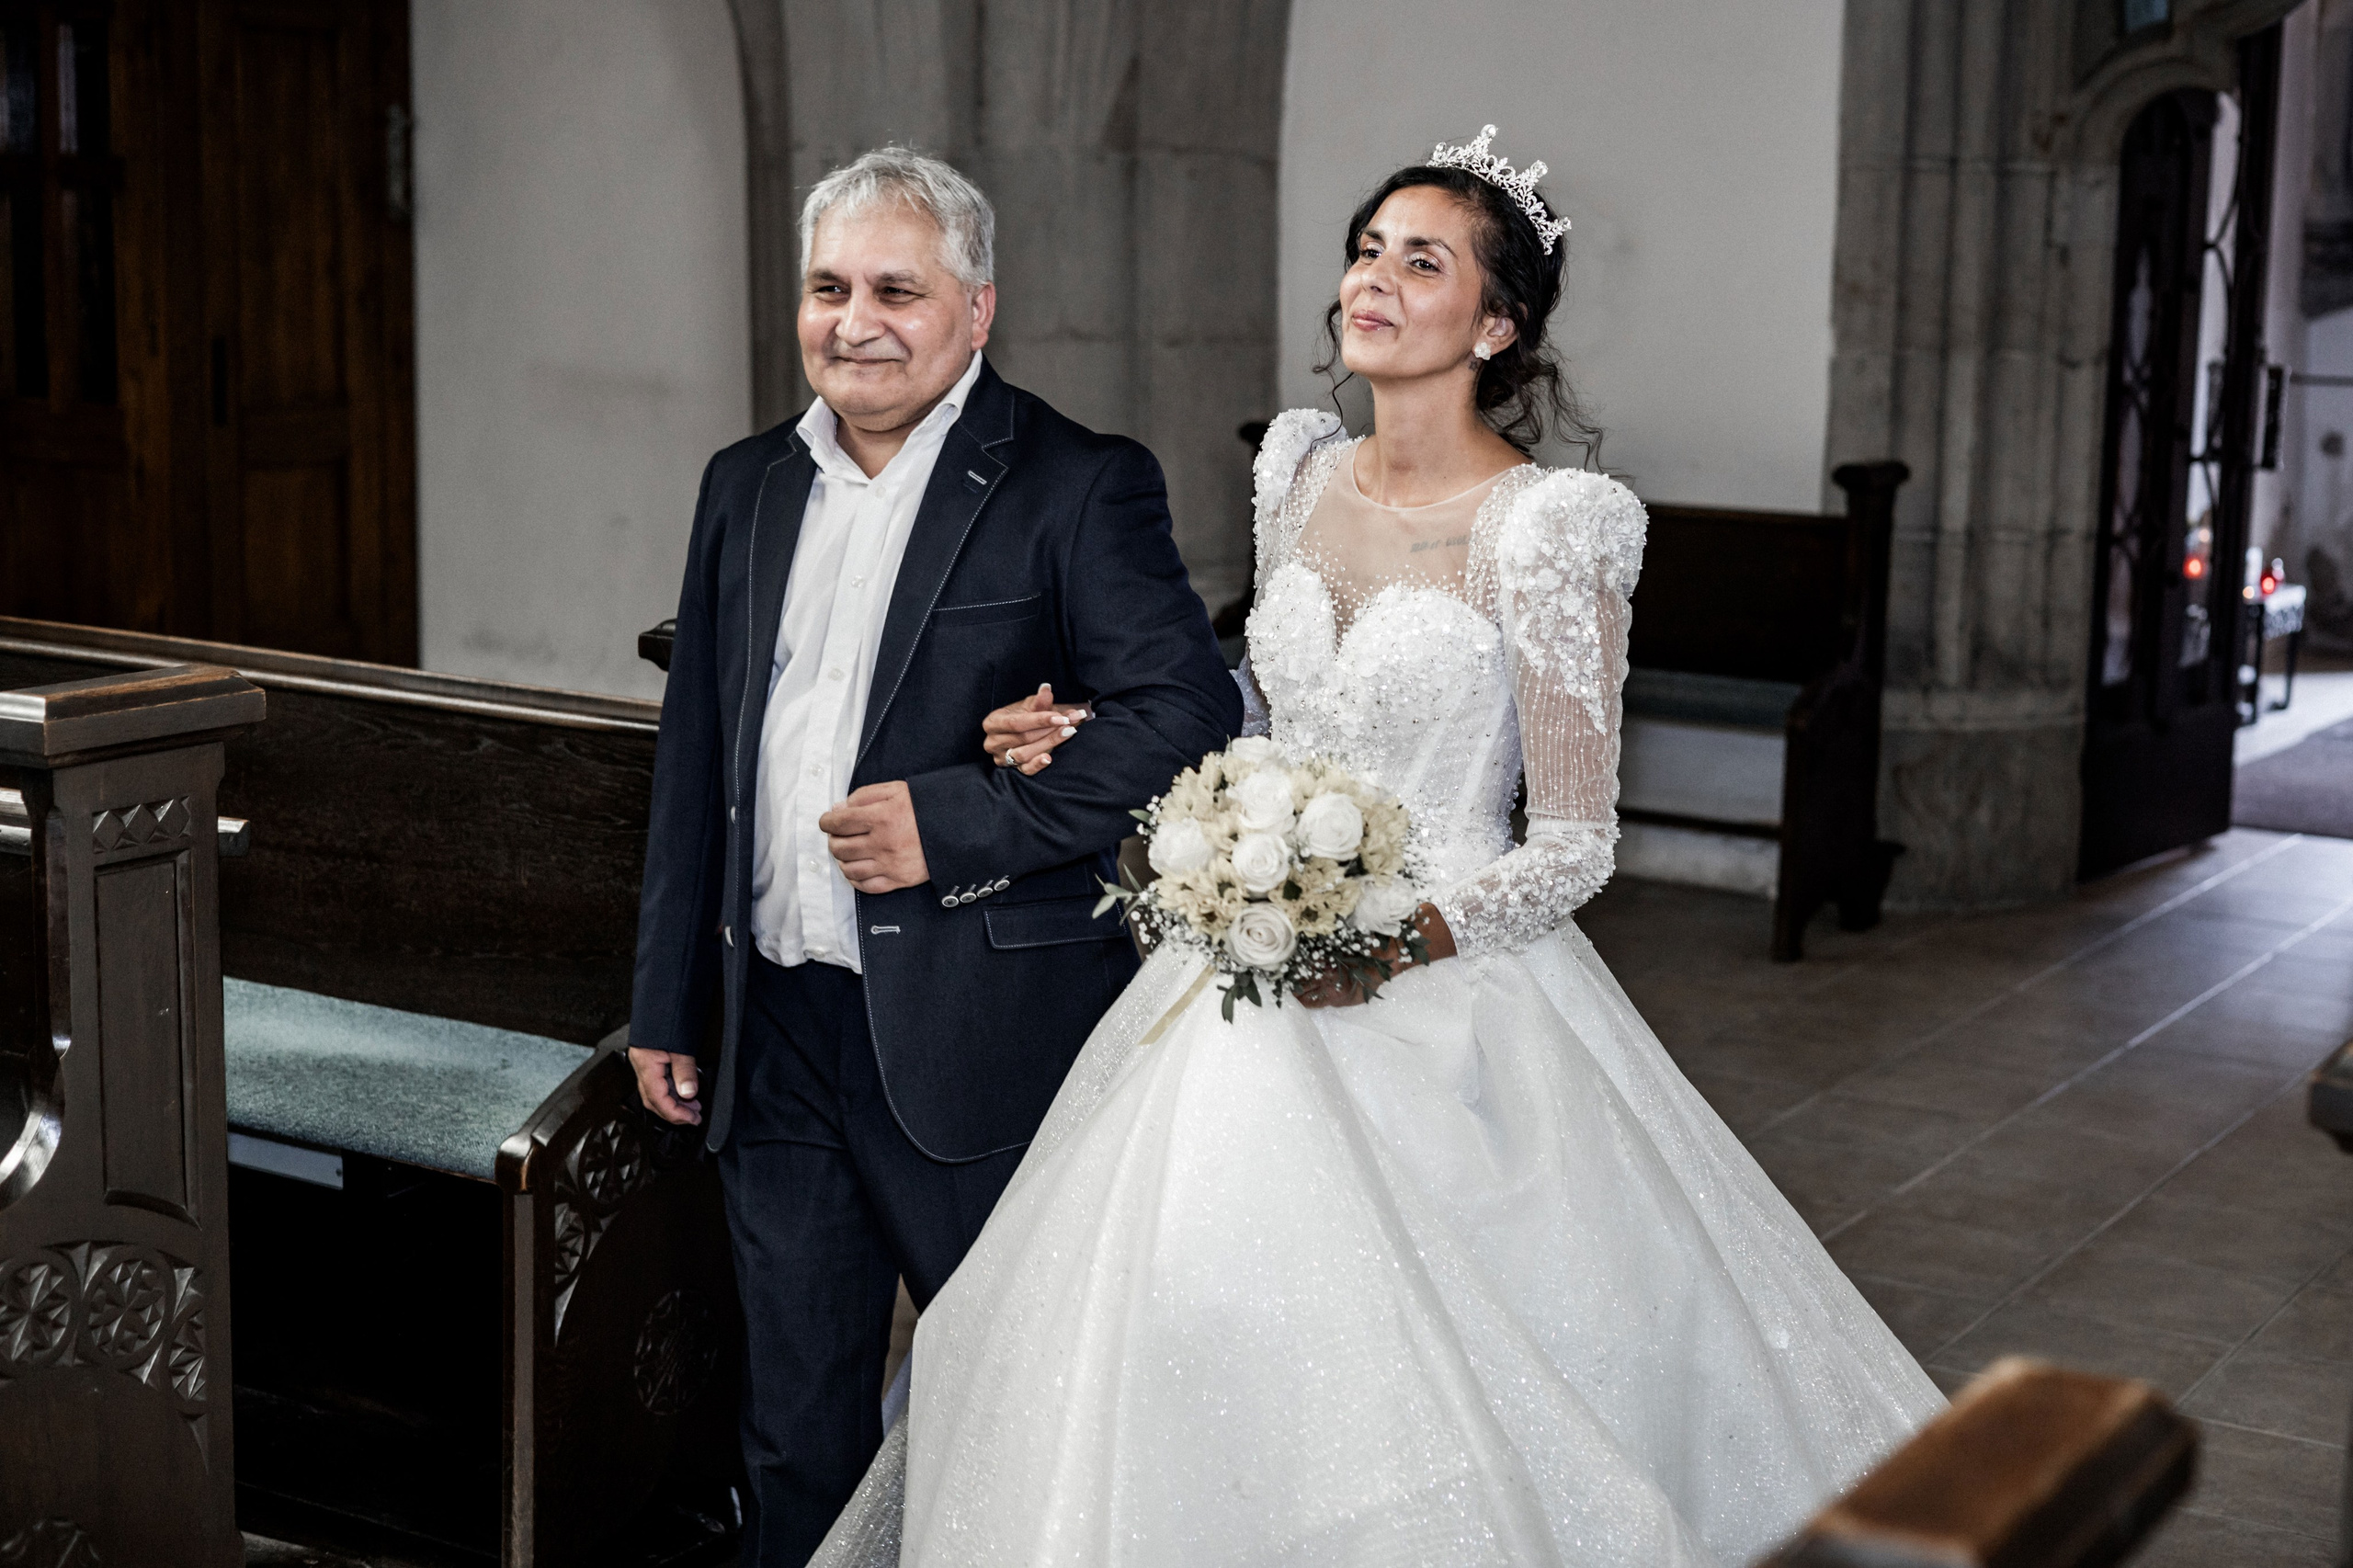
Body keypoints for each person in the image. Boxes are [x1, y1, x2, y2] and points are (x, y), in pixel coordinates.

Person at [812, 129, 1943, 1567]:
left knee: (1440, 1369)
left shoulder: (1551, 528)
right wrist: (1101, 724)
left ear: (1497, 324)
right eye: (1366, 251)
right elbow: (1265, 709)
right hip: (1244, 958)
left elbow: (1577, 841)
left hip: (1445, 985)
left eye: (1423, 262)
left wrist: (1398, 941)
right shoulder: (1297, 474)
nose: (1374, 281)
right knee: (1177, 1299)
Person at [626, 145, 1241, 1566]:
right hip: (773, 1026)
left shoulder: (1076, 483)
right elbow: (698, 752)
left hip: (982, 1023)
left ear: (976, 309)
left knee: (1008, 1400)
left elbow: (1186, 714)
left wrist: (950, 821)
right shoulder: (744, 484)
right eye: (828, 288)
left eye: (896, 291)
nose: (855, 322)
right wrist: (667, 993)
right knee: (795, 1419)